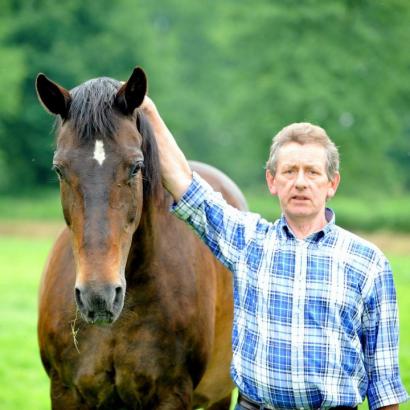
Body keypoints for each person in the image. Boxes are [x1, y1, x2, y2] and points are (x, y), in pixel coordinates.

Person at [140, 96, 408, 410]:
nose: (300, 183)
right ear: (272, 181)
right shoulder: (249, 242)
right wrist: (150, 112)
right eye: (289, 171)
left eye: (312, 172)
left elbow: (384, 385)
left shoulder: (368, 263)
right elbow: (185, 186)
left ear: (332, 183)